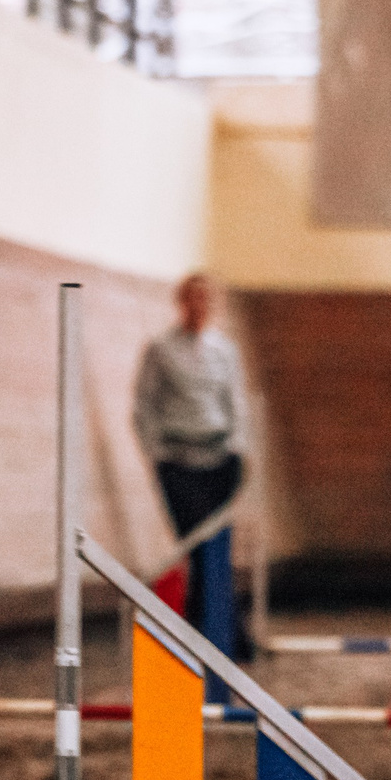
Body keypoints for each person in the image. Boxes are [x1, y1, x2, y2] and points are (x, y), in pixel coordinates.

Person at [132, 273, 248, 658]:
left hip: (218, 458)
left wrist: (238, 449)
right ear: (181, 303)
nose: (199, 308)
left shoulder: (224, 350)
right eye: (192, 300)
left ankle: (217, 632)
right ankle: (214, 631)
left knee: (217, 549)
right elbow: (144, 403)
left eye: (206, 301)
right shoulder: (161, 349)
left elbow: (235, 400)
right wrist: (155, 453)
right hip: (178, 460)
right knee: (196, 546)